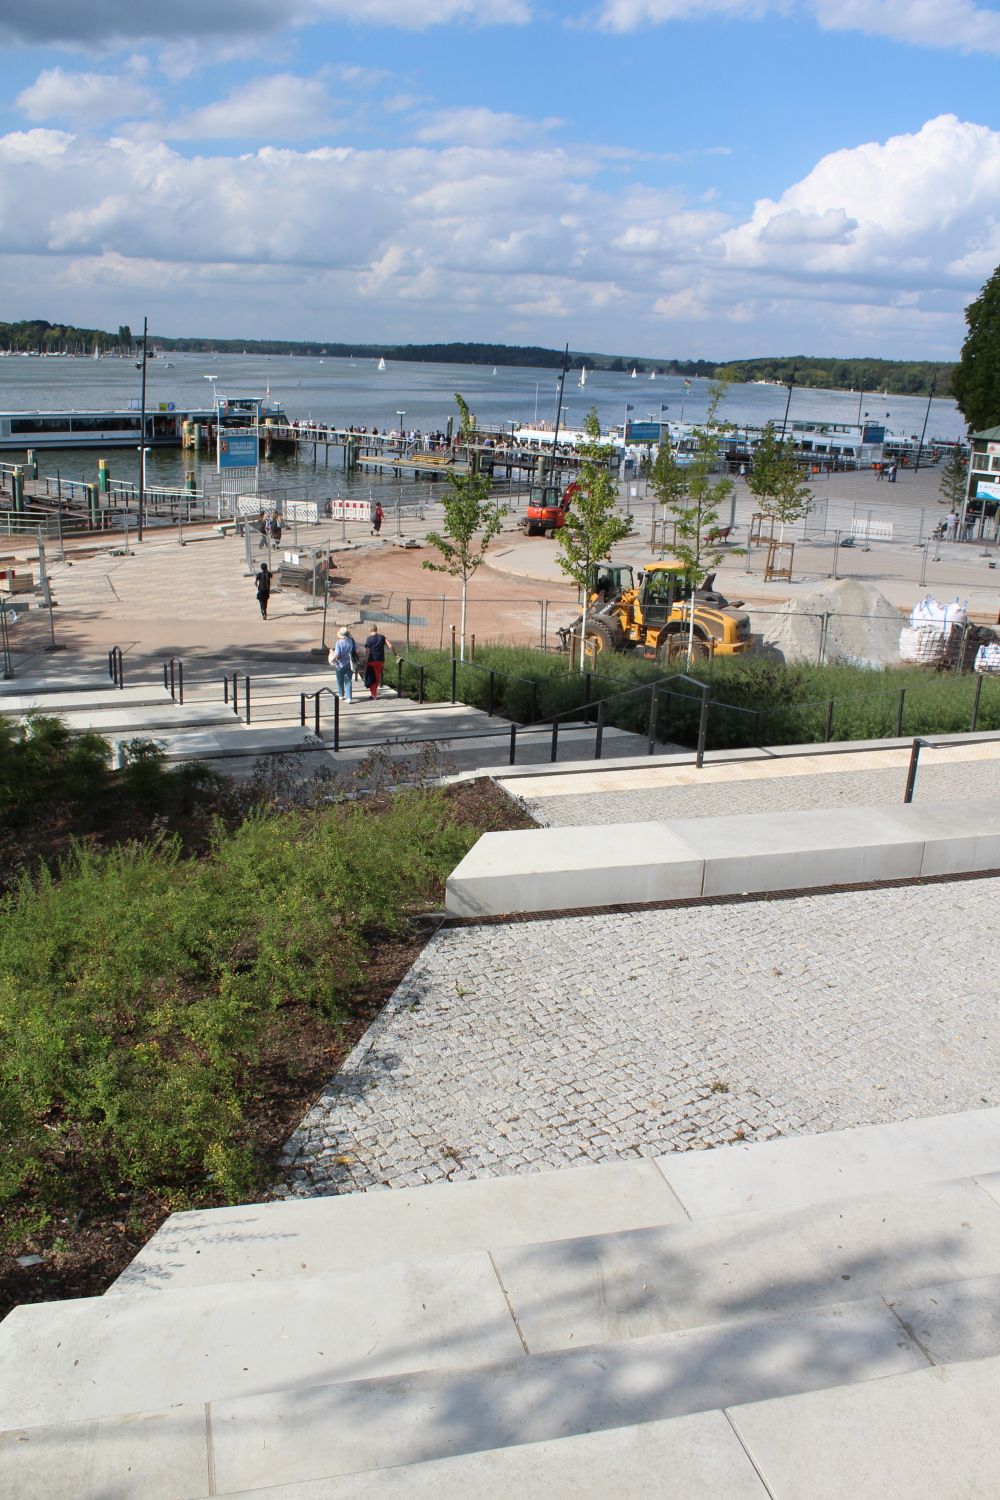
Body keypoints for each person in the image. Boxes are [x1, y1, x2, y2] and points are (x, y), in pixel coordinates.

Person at [363, 625, 395, 698]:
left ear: (369, 630)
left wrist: (366, 661)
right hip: (380, 660)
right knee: (377, 676)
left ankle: (373, 695)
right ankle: (374, 693)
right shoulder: (382, 637)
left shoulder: (369, 639)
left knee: (371, 677)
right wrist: (395, 654)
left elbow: (367, 651)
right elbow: (390, 646)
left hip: (372, 660)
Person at [328, 625, 356, 702]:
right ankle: (349, 697)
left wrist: (331, 652)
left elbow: (337, 655)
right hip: (349, 663)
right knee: (348, 680)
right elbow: (356, 651)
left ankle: (341, 695)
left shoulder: (338, 643)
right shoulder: (352, 641)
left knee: (340, 680)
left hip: (340, 664)